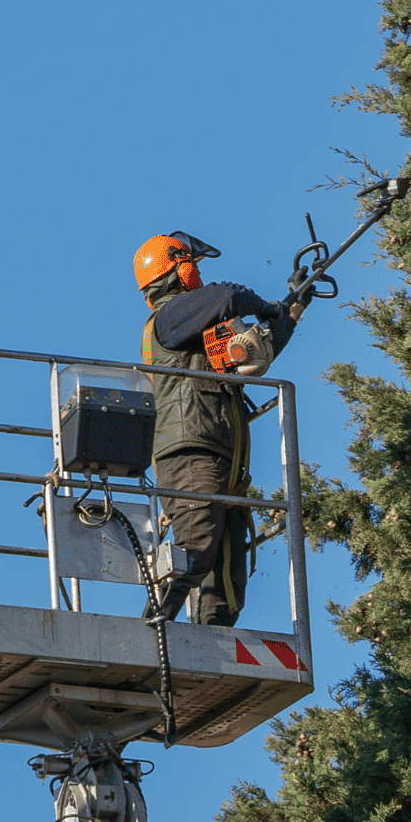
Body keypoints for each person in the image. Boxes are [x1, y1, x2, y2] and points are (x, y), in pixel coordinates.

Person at [133, 231, 303, 625]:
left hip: (221, 460)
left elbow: (262, 349)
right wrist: (266, 307)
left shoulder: (196, 327)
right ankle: (150, 630)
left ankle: (213, 639)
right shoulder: (170, 317)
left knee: (227, 575)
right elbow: (228, 294)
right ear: (179, 269)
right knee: (195, 549)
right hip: (191, 452)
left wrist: (293, 306)